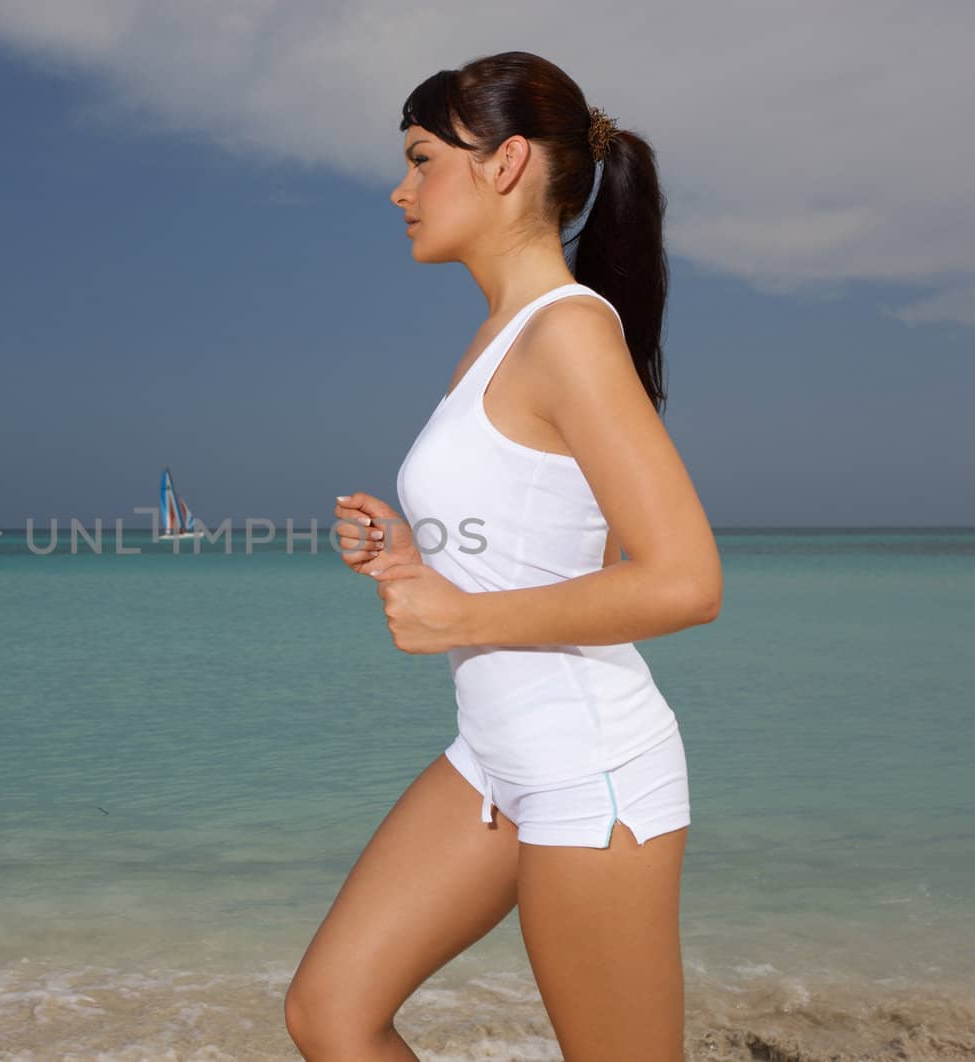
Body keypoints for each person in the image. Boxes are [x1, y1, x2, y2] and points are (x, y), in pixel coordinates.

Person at [285, 51, 724, 1061]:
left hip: (589, 774)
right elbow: (569, 539)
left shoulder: (566, 334)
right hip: (492, 757)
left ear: (505, 162)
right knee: (331, 1015)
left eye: (421, 158)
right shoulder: (499, 338)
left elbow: (684, 580)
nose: (400, 189)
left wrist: (461, 618)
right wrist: (417, 559)